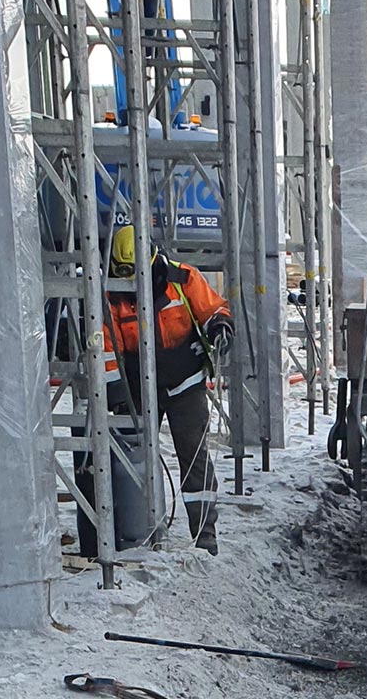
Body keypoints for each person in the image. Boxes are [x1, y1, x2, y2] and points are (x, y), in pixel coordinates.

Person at [102, 226, 233, 554]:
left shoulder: (182, 279)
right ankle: (137, 534)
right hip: (137, 391)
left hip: (185, 385)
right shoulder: (111, 295)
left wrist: (220, 327)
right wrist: (116, 391)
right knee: (132, 459)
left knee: (194, 458)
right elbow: (106, 345)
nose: (131, 283)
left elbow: (213, 309)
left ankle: (205, 535)